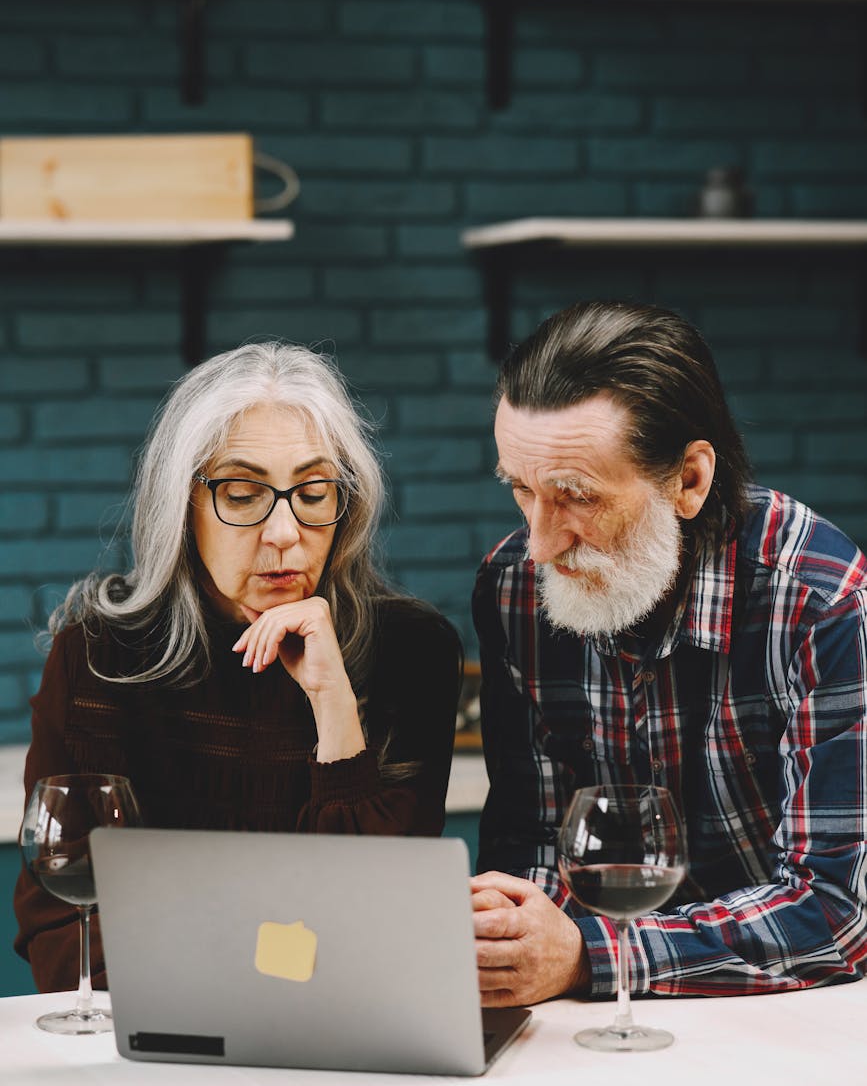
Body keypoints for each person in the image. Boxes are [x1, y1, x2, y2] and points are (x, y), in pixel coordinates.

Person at [15, 343, 462, 992]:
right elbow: (62, 929)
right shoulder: (98, 660)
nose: (284, 531)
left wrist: (332, 702)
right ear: (183, 505)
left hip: (339, 1040)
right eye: (244, 493)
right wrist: (272, 967)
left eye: (313, 492)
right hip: (151, 1046)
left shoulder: (410, 652)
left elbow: (375, 932)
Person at [471, 300, 867, 1005]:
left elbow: (837, 913)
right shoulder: (512, 590)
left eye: (575, 498)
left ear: (688, 480)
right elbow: (531, 840)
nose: (538, 541)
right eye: (519, 489)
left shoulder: (819, 600)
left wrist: (592, 956)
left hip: (805, 1009)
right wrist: (513, 937)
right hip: (595, 1018)